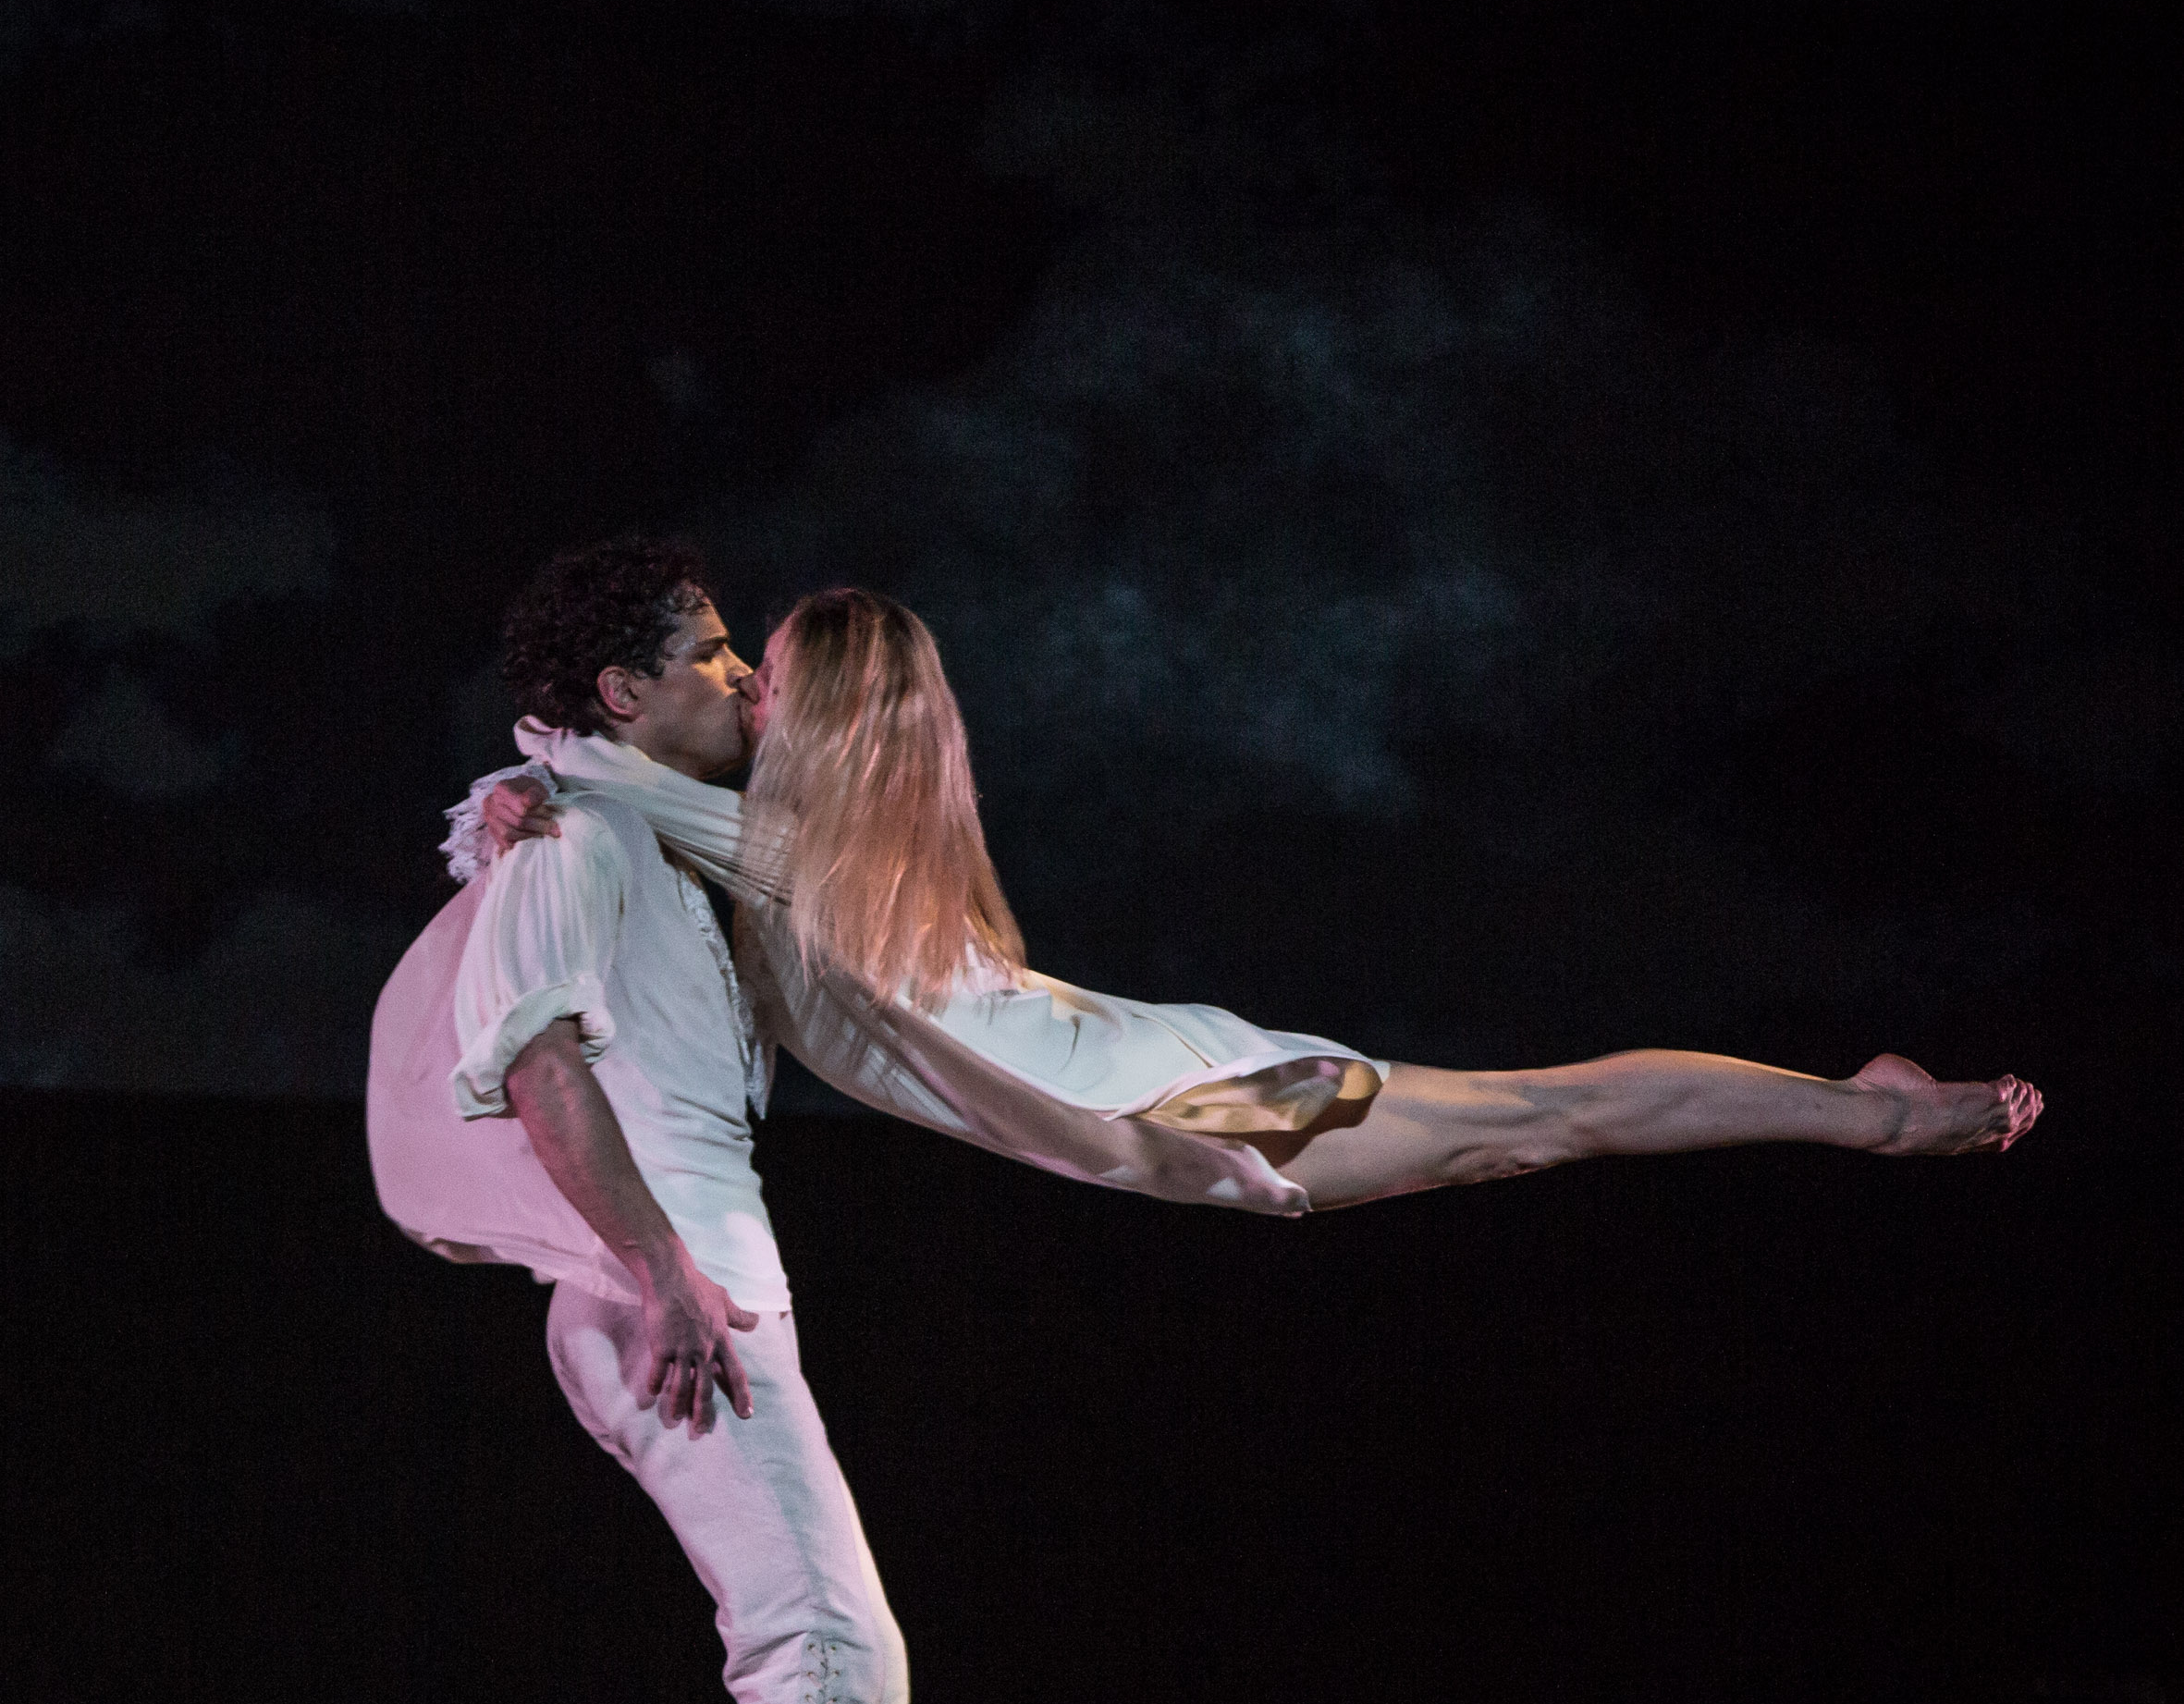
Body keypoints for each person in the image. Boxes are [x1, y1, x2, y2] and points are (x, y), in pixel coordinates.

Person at [368, 538, 1097, 1704]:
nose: (742, 676)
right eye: (705, 653)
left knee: (854, 1668)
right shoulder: (577, 835)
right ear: (620, 693)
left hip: (706, 1287)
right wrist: (660, 1270)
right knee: (816, 1656)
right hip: (670, 1301)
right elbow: (535, 1062)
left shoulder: (634, 829)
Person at [466, 582, 2043, 1211]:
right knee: (1538, 1118)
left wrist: (527, 781)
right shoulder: (815, 863)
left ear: (820, 718)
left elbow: (594, 769)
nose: (739, 689)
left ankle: (1872, 1117)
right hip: (1174, 1074)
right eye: (729, 666)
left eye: (758, 671)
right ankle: (1866, 1110)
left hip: (1192, 1098)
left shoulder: (793, 858)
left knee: (1540, 1118)